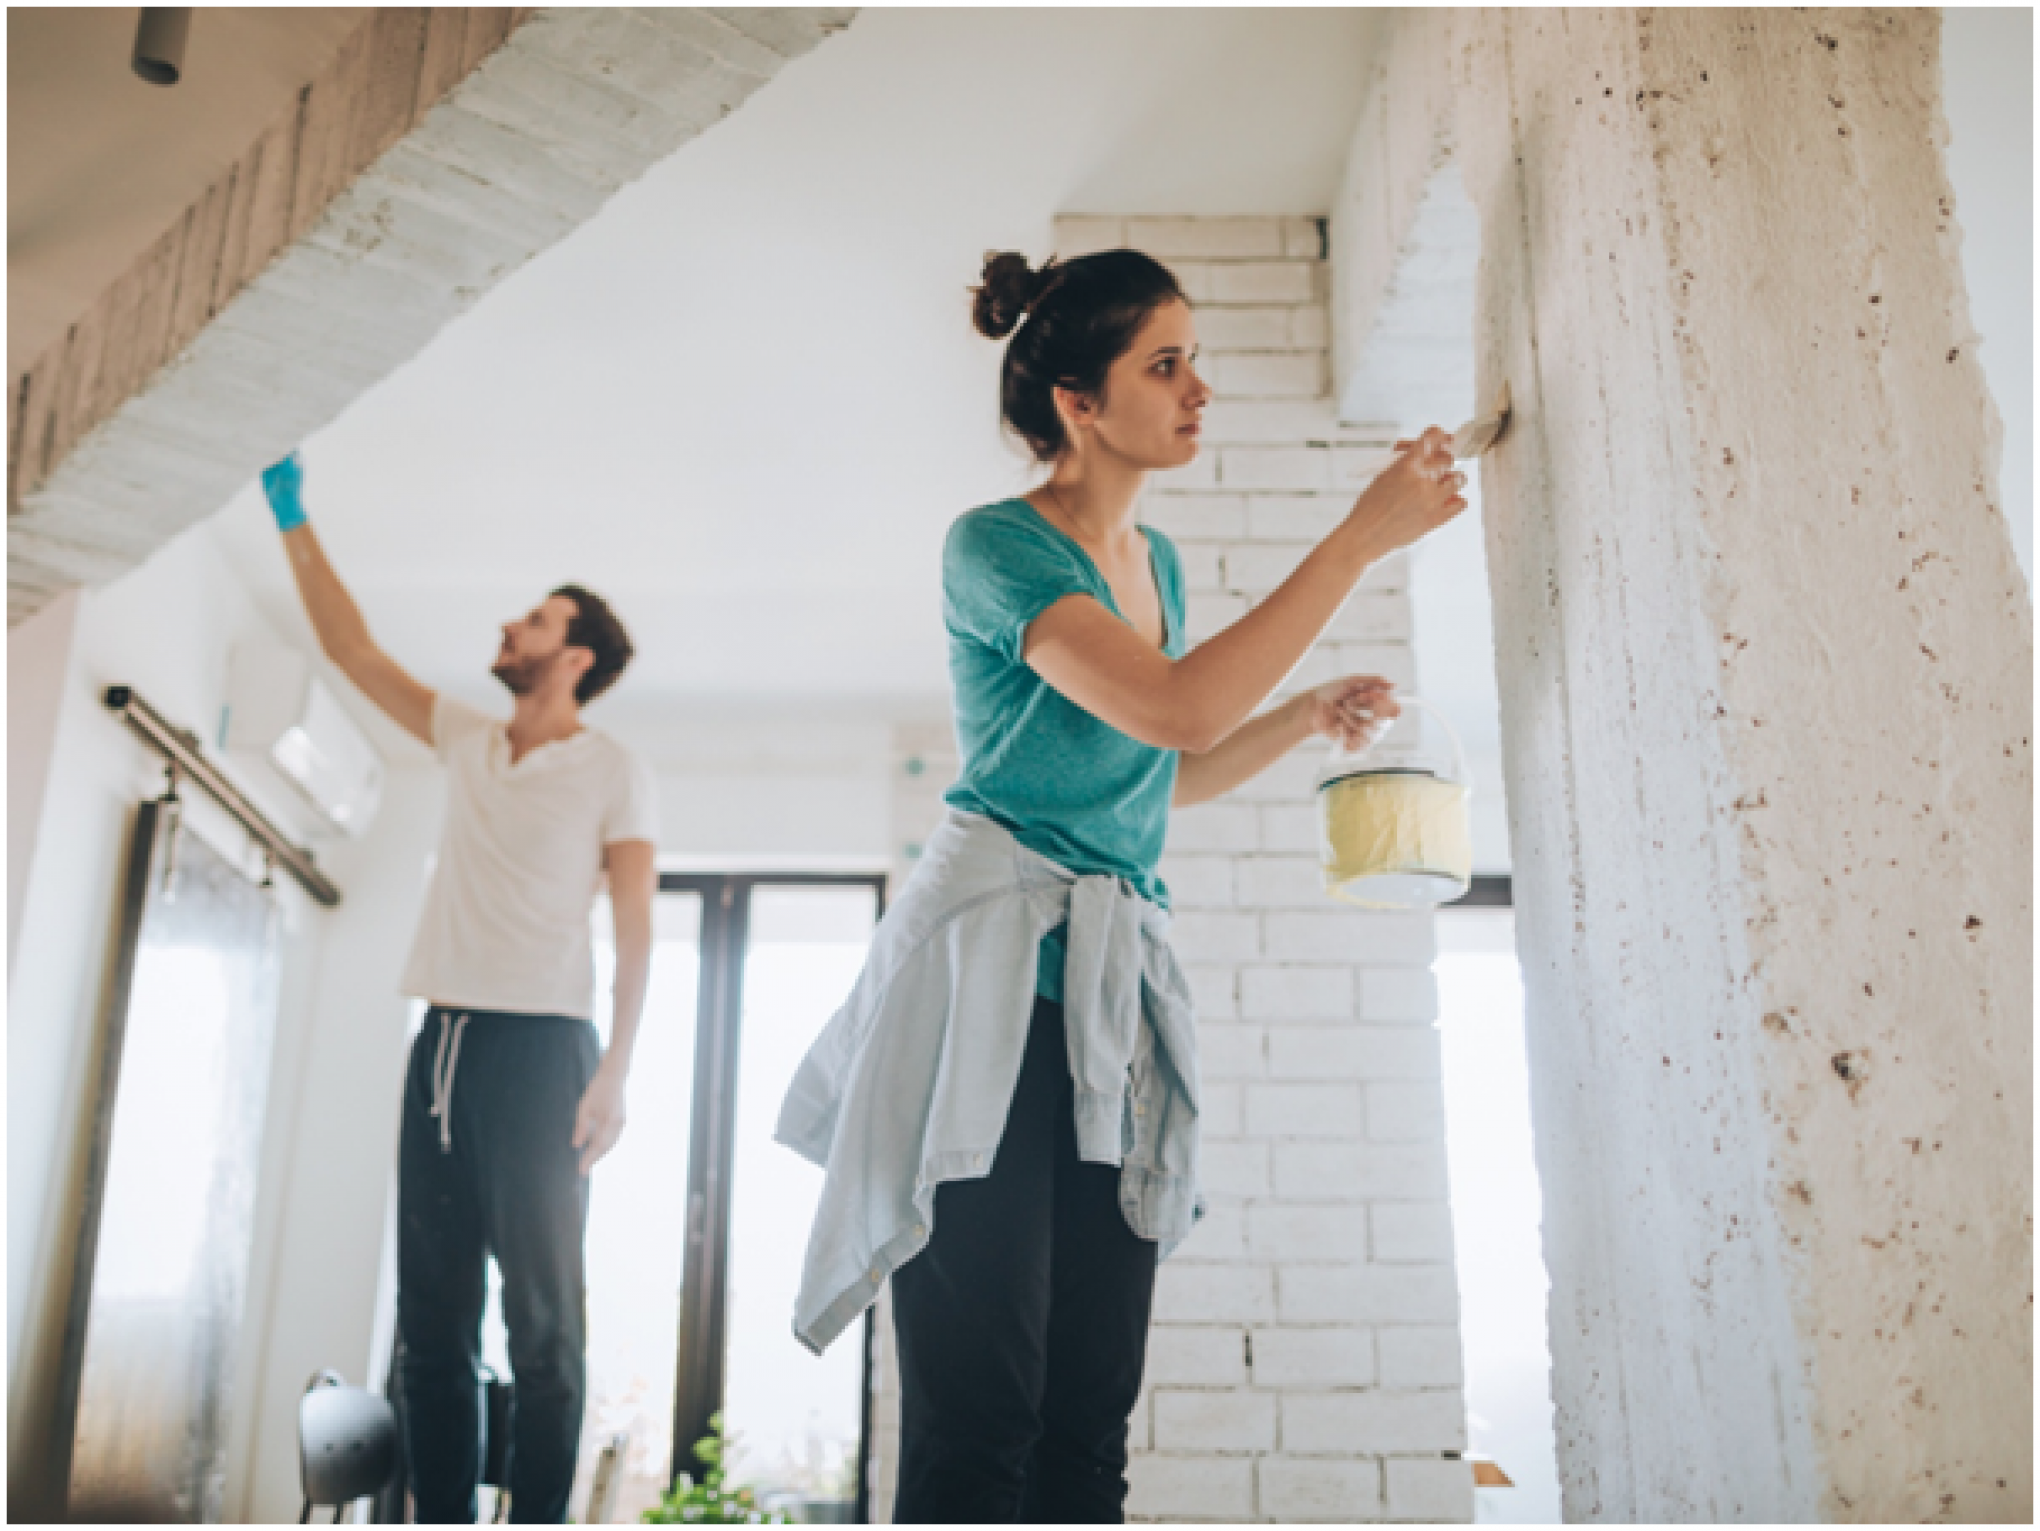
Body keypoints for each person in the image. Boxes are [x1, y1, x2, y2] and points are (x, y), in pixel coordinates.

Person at [775, 248, 1467, 1523]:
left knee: (1090, 1416)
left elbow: (1163, 768)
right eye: (1166, 363)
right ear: (1077, 404)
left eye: (1194, 357)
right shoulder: (995, 547)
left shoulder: (1161, 564)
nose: (1200, 387)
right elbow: (1178, 703)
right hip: (985, 978)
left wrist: (1302, 717)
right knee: (986, 1414)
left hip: (1102, 986)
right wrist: (1361, 535)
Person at [259, 454, 659, 1524]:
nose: (509, 628)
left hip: (546, 1054)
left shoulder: (614, 767)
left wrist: (615, 1072)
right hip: (442, 1042)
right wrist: (292, 514)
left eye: (533, 621)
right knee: (431, 1324)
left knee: (544, 1327)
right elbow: (349, 647)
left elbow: (634, 925)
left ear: (573, 656)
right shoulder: (467, 739)